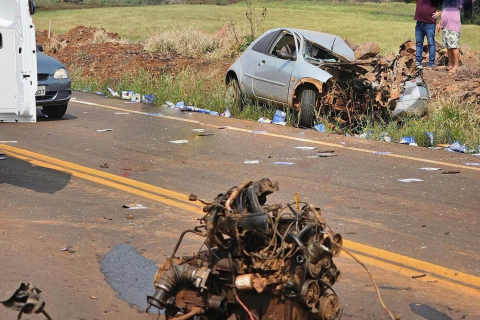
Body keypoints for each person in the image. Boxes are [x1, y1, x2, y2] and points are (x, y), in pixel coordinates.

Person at [437, 0, 463, 73]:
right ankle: (450, 64)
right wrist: (439, 23)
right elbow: (443, 11)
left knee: (454, 47)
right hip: (445, 26)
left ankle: (456, 65)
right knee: (449, 46)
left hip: (453, 27)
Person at [414, 0, 442, 68]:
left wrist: (440, 12)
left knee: (431, 43)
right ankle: (418, 62)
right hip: (419, 24)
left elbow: (446, 4)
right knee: (419, 43)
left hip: (430, 24)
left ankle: (431, 63)